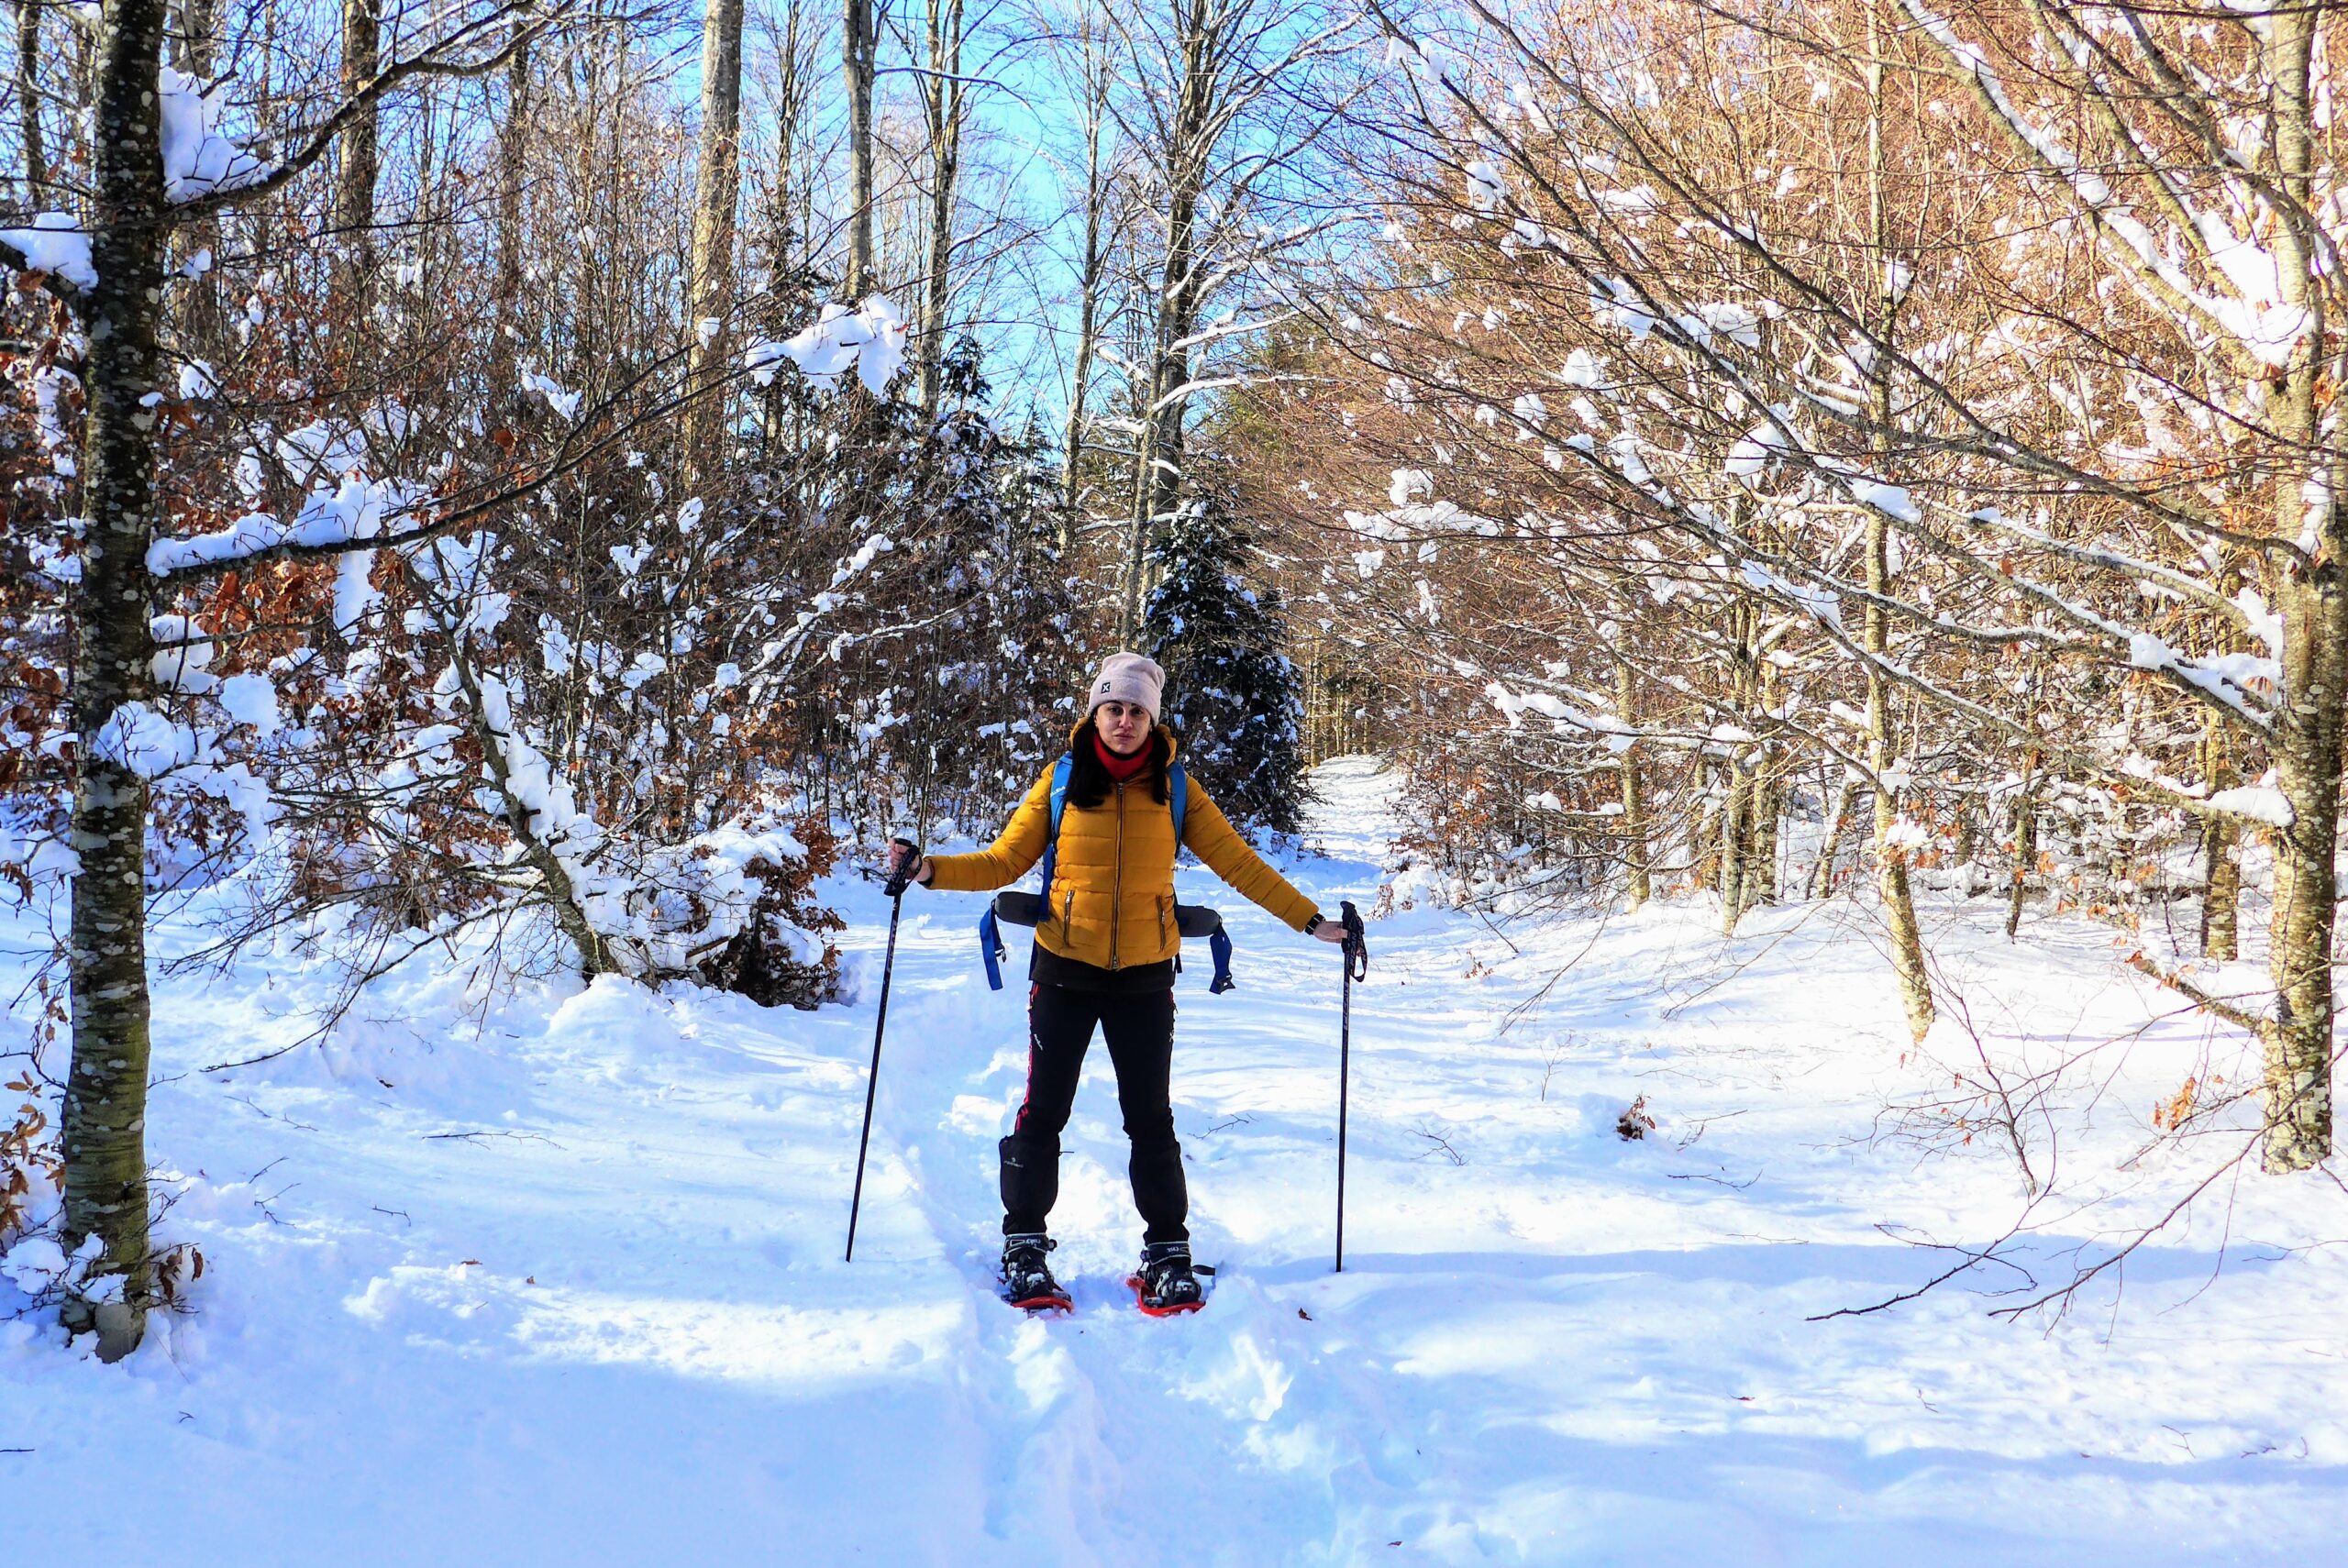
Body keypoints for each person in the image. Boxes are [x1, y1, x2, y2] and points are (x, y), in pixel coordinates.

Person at [888, 651, 1349, 1313]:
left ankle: (1167, 1251)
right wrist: (928, 870)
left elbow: (1241, 866)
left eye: (1137, 710)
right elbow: (1002, 861)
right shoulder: (1061, 781)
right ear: (1095, 712)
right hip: (1064, 970)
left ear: (1152, 719)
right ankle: (1023, 1242)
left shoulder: (1177, 789)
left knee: (1150, 1119)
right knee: (1042, 1112)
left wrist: (1313, 923)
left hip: (1144, 976)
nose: (1125, 720)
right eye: (1114, 708)